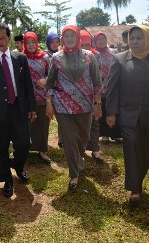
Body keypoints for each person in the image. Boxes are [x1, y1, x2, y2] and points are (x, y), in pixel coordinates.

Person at [106, 25, 149, 205]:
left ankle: (137, 181)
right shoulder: (119, 59)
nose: (134, 42)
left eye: (138, 38)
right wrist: (111, 112)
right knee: (131, 148)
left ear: (147, 39)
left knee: (147, 151)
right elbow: (113, 88)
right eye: (131, 38)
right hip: (128, 115)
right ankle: (135, 189)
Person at [0, 23, 37, 198]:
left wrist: (32, 106)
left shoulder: (20, 58)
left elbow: (27, 85)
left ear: (9, 39)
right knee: (0, 147)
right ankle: (7, 179)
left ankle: (17, 166)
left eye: (3, 38)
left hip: (18, 108)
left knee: (24, 143)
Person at [46, 25, 102, 191]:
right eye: (66, 36)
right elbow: (50, 82)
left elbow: (97, 83)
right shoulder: (56, 58)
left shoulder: (90, 56)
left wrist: (98, 105)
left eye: (72, 35)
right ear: (62, 39)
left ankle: (79, 159)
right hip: (63, 106)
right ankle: (74, 175)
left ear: (78, 38)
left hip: (85, 106)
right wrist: (49, 102)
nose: (69, 39)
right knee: (70, 140)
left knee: (83, 138)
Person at [22, 32, 51, 163]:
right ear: (24, 44)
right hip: (26, 98)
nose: (31, 45)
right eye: (28, 43)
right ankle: (25, 148)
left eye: (33, 42)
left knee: (43, 124)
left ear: (37, 43)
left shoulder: (45, 57)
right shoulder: (21, 58)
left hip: (42, 97)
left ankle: (42, 150)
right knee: (26, 124)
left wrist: (45, 80)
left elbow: (52, 74)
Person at [93, 32, 121, 146]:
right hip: (100, 87)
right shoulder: (93, 54)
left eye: (103, 38)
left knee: (114, 109)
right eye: (98, 39)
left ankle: (115, 134)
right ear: (95, 41)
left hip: (113, 85)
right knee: (103, 109)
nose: (101, 40)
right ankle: (104, 134)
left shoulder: (114, 52)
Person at [79, 30, 102, 162]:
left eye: (87, 45)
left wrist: (97, 100)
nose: (85, 49)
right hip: (78, 97)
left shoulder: (95, 56)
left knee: (94, 123)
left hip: (92, 95)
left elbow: (98, 78)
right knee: (81, 125)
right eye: (82, 45)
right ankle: (81, 151)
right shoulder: (71, 57)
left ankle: (95, 149)